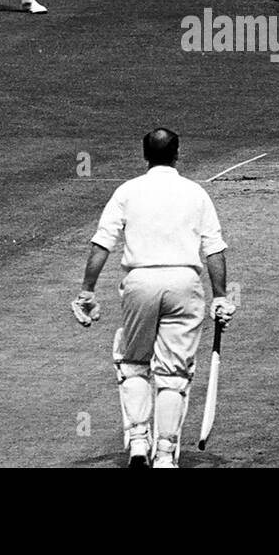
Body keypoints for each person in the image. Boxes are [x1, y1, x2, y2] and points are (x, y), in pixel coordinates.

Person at [70, 129, 235, 469]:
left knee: (133, 363)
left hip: (139, 282)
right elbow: (214, 249)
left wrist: (87, 291)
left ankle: (138, 443)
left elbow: (102, 244)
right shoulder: (195, 193)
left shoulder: (127, 191)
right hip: (184, 283)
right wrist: (220, 296)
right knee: (174, 374)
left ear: (144, 155)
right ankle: (164, 454)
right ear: (178, 154)